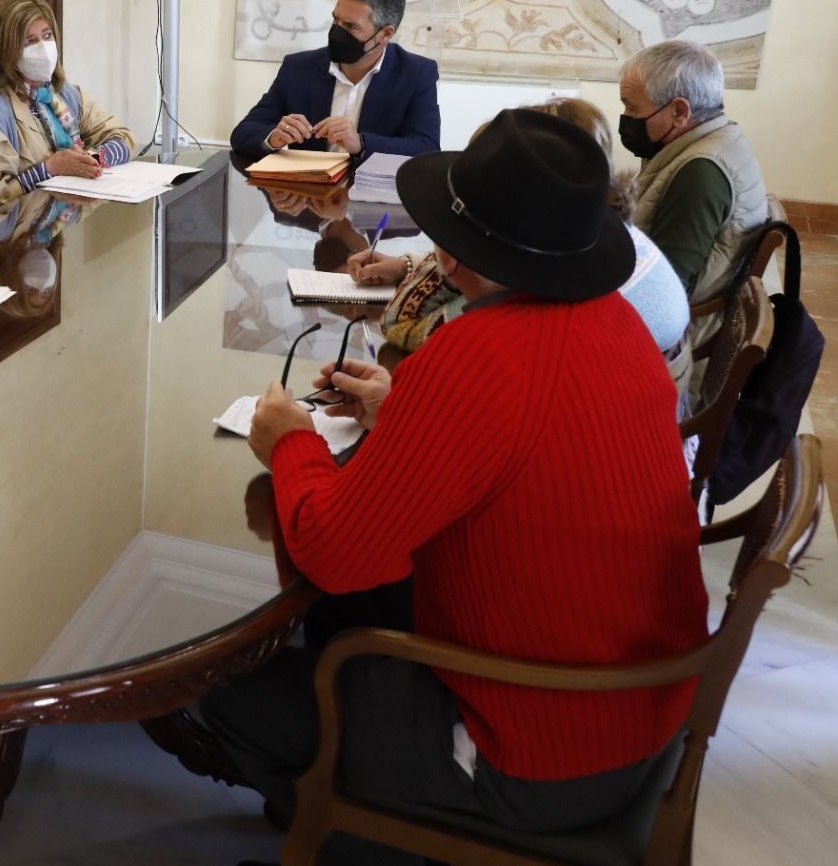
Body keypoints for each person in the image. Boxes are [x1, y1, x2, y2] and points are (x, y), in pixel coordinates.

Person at [204, 110, 707, 864]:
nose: (438, 251)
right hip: (639, 702)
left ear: (470, 248)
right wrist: (402, 406)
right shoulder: (616, 322)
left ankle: (344, 830)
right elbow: (531, 442)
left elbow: (335, 553)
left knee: (228, 685)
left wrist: (291, 445)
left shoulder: (474, 351)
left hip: (535, 751)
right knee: (350, 613)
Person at [352, 97, 690, 357]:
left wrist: (450, 240)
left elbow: (400, 324)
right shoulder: (594, 240)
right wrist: (408, 265)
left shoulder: (537, 294)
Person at [0, 0, 136, 216]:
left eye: (47, 36)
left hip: (61, 227)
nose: (43, 47)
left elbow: (125, 138)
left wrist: (91, 158)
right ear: (6, 51)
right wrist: (49, 169)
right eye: (29, 41)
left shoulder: (65, 94)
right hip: (10, 239)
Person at [618, 40, 767, 313]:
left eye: (632, 108)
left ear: (679, 112)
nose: (626, 117)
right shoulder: (721, 138)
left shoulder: (700, 173)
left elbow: (662, 294)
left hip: (675, 333)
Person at [230, 0, 440, 160]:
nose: (337, 32)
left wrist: (360, 143)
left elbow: (426, 149)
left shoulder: (417, 74)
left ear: (385, 34)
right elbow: (243, 133)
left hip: (370, 198)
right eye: (335, 20)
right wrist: (274, 137)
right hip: (305, 195)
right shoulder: (298, 67)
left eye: (350, 26)